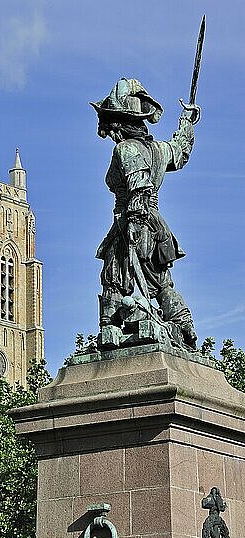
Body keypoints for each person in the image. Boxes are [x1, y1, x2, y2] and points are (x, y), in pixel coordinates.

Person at [91, 78, 200, 349]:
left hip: (134, 221)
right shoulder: (159, 150)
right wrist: (186, 122)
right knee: (160, 279)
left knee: (115, 275)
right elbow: (180, 152)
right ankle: (182, 324)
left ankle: (111, 328)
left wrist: (133, 229)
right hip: (156, 225)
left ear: (119, 121)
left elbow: (139, 186)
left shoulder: (126, 149)